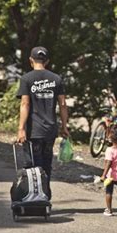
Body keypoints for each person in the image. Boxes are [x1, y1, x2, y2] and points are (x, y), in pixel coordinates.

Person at [16, 46, 69, 200]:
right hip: (50, 130)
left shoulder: (26, 79)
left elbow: (25, 104)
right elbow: (63, 104)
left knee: (32, 164)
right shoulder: (56, 79)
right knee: (46, 164)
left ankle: (34, 196)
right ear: (47, 61)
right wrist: (64, 126)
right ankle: (45, 195)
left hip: (34, 130)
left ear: (31, 60)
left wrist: (21, 129)